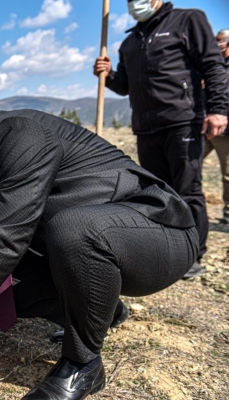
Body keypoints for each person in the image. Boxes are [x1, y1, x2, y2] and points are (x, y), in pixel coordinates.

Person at [0, 102, 198, 400]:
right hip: (102, 245)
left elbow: (8, 240)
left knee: (74, 228)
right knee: (4, 298)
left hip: (158, 233)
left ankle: (82, 365)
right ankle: (106, 310)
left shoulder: (19, 135)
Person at [93, 0, 228, 279]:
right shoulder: (129, 42)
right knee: (159, 192)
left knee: (186, 190)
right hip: (146, 128)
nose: (134, 4)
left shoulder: (188, 20)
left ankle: (192, 255)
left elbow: (213, 65)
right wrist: (107, 75)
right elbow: (124, 87)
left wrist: (218, 110)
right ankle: (167, 249)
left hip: (183, 121)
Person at [204, 29, 229, 224]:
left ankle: (228, 213)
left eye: (218, 41)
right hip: (204, 128)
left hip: (225, 132)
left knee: (227, 174)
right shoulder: (212, 66)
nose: (215, 44)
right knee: (189, 164)